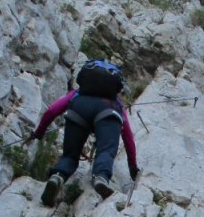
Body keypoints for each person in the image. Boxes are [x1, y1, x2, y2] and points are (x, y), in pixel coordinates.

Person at [32, 59, 139, 207]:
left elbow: (52, 111)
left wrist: (39, 132)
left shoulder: (78, 93)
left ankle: (58, 176)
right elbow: (128, 136)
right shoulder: (117, 102)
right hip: (109, 112)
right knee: (106, 151)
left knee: (70, 155)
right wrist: (133, 167)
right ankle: (100, 178)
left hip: (79, 108)